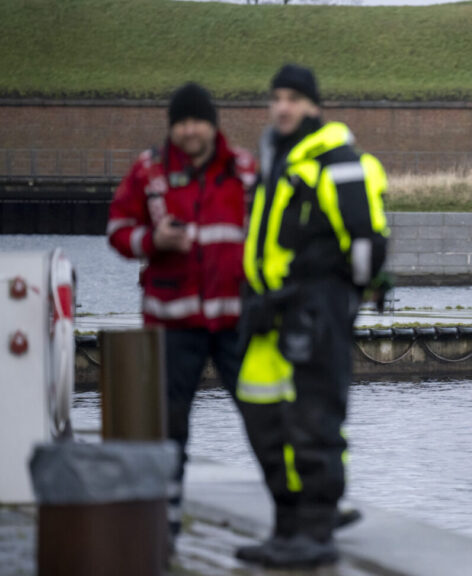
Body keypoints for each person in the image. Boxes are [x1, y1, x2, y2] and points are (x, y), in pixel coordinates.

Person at [233, 64, 390, 568]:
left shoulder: (335, 160)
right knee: (266, 420)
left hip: (314, 310)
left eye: (294, 98)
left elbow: (366, 242)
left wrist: (345, 297)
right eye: (277, 97)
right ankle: (286, 527)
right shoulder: (275, 158)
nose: (283, 107)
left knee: (315, 421)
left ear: (314, 106)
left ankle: (316, 533)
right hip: (267, 314)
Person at [106, 82, 256, 541]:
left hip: (236, 320)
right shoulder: (148, 172)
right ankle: (165, 518)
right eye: (182, 122)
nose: (190, 131)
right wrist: (154, 242)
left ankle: (294, 515)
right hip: (172, 322)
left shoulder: (245, 170)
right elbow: (116, 231)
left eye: (198, 121)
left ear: (214, 125)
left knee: (262, 414)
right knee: (169, 423)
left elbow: (273, 231)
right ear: (173, 127)